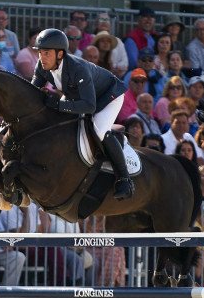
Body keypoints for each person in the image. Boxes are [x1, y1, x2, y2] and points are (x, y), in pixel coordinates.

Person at [31, 28, 133, 199]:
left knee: (99, 130)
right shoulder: (43, 67)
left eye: (46, 53)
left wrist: (59, 105)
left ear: (60, 54)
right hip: (82, 98)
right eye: (40, 53)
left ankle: (124, 179)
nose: (42, 57)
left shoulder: (78, 69)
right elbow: (32, 92)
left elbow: (89, 106)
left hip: (108, 96)